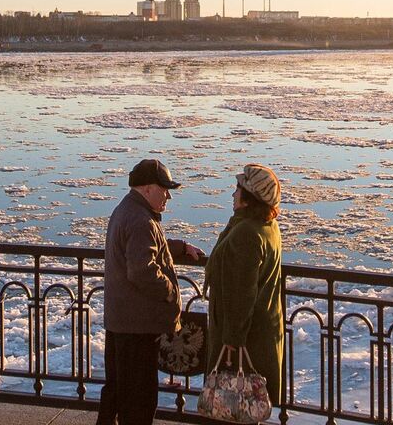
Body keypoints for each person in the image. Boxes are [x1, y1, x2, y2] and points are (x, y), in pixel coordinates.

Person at [100, 158, 205, 425]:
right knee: (139, 401)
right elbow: (142, 270)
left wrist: (180, 247)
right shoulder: (140, 219)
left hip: (122, 321)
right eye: (164, 188)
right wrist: (171, 292)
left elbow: (145, 247)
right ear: (147, 188)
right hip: (136, 327)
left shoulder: (129, 210)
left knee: (116, 393)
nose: (168, 195)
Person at [203, 163, 285, 409]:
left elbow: (242, 292)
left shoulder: (247, 234)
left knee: (232, 404)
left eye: (238, 189)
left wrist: (232, 340)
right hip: (263, 330)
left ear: (249, 198)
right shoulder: (266, 227)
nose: (233, 194)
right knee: (247, 409)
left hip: (244, 340)